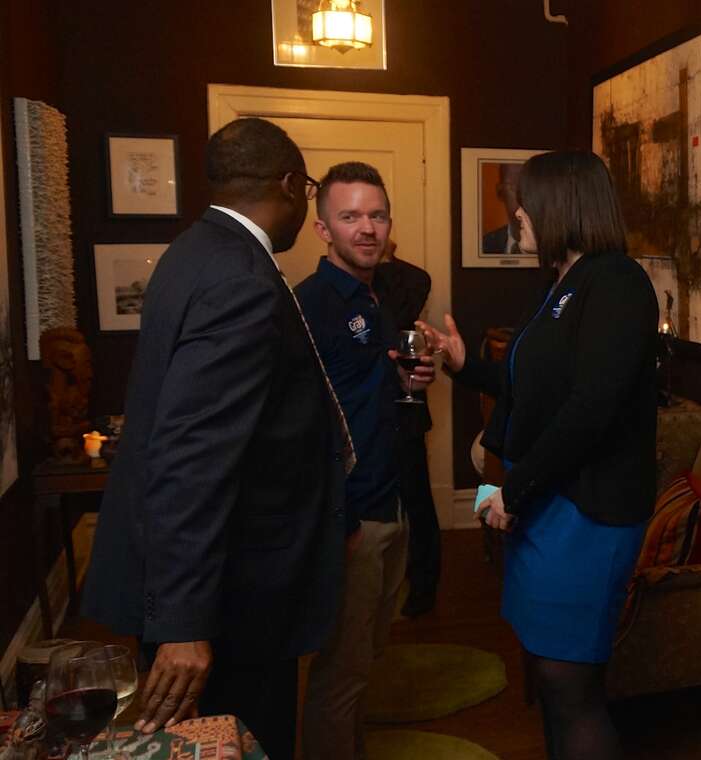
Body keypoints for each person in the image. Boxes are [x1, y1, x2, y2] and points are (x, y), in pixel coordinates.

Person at [81, 118, 350, 760]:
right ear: (290, 185)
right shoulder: (240, 278)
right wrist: (182, 624)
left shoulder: (195, 250)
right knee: (241, 743)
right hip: (231, 596)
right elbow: (193, 456)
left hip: (212, 578)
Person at [419, 150, 658, 760]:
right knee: (551, 677)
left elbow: (589, 410)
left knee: (570, 683)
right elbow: (531, 387)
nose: (517, 214)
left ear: (561, 205)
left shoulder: (617, 281)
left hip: (589, 511)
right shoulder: (561, 283)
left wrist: (514, 489)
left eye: (525, 201)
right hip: (550, 503)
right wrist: (466, 365)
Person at [296, 162, 435, 760]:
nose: (367, 228)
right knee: (341, 674)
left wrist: (405, 376)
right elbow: (302, 428)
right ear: (322, 228)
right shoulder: (311, 306)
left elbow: (359, 392)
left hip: (390, 501)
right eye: (350, 216)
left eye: (376, 215)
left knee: (366, 659)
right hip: (352, 519)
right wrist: (342, 520)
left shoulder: (374, 299)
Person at [376, 241, 440, 617]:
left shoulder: (412, 278)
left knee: (417, 500)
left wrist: (379, 264)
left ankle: (423, 589)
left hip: (405, 407)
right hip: (362, 411)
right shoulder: (340, 286)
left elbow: (394, 316)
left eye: (378, 218)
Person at [481, 162, 523, 254]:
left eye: (531, 186)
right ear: (500, 192)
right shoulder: (484, 246)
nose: (524, 195)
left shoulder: (555, 247)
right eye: (514, 186)